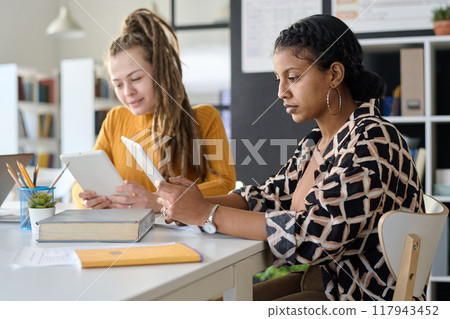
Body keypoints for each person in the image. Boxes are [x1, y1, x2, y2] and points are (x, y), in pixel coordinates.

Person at [156, 14, 424, 301]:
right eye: (279, 79)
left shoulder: (371, 140)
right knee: (215, 304)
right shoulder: (315, 144)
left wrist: (206, 215)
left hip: (357, 296)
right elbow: (269, 197)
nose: (281, 92)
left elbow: (316, 236)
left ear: (334, 74)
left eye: (293, 77)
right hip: (324, 283)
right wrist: (194, 203)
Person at [73, 8, 236, 210]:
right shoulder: (115, 118)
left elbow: (224, 186)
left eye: (136, 79)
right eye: (118, 84)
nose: (128, 92)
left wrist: (157, 201)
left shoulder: (204, 117)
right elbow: (80, 184)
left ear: (160, 73)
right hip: (126, 234)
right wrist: (87, 198)